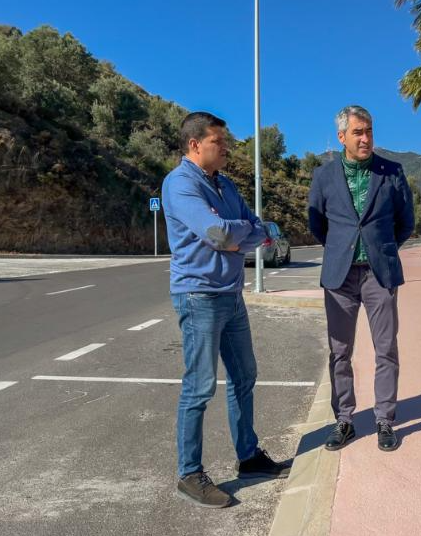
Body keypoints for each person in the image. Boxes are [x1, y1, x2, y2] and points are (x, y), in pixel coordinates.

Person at [162, 111, 290, 509]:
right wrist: (235, 235)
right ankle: (189, 473)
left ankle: (248, 455)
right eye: (220, 142)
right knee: (199, 386)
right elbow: (216, 233)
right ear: (194, 144)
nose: (227, 149)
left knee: (244, 376)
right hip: (199, 295)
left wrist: (237, 236)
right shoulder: (180, 183)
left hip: (231, 294)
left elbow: (259, 228)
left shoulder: (226, 185)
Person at [308, 105, 414, 452]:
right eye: (358, 132)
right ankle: (345, 420)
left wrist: (379, 248)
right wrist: (343, 248)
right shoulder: (323, 176)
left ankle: (384, 419)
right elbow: (317, 225)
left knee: (386, 348)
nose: (366, 138)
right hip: (339, 276)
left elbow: (405, 222)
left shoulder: (392, 172)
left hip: (379, 274)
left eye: (369, 131)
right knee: (340, 351)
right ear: (342, 137)